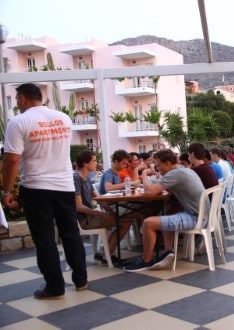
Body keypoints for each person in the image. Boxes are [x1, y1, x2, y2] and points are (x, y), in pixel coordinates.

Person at [2, 83, 88, 299]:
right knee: (71, 234)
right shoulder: (63, 118)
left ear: (22, 99)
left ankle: (55, 287)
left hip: (36, 187)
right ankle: (81, 280)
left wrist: (6, 191)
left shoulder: (18, 122)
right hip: (65, 186)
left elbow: (12, 159)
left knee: (45, 239)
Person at [124, 149, 207, 272]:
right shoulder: (184, 170)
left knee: (148, 223)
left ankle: (146, 261)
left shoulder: (174, 174)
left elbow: (149, 192)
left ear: (167, 163)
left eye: (158, 166)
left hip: (196, 218)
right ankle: (168, 252)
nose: (158, 169)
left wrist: (144, 175)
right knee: (168, 212)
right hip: (203, 215)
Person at [73, 150, 136, 265]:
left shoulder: (86, 178)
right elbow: (79, 206)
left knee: (124, 219)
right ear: (85, 163)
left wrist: (111, 212)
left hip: (90, 216)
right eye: (94, 161)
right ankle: (107, 255)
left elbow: (99, 199)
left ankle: (106, 253)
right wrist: (101, 214)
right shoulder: (76, 178)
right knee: (126, 221)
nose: (96, 163)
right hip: (83, 220)